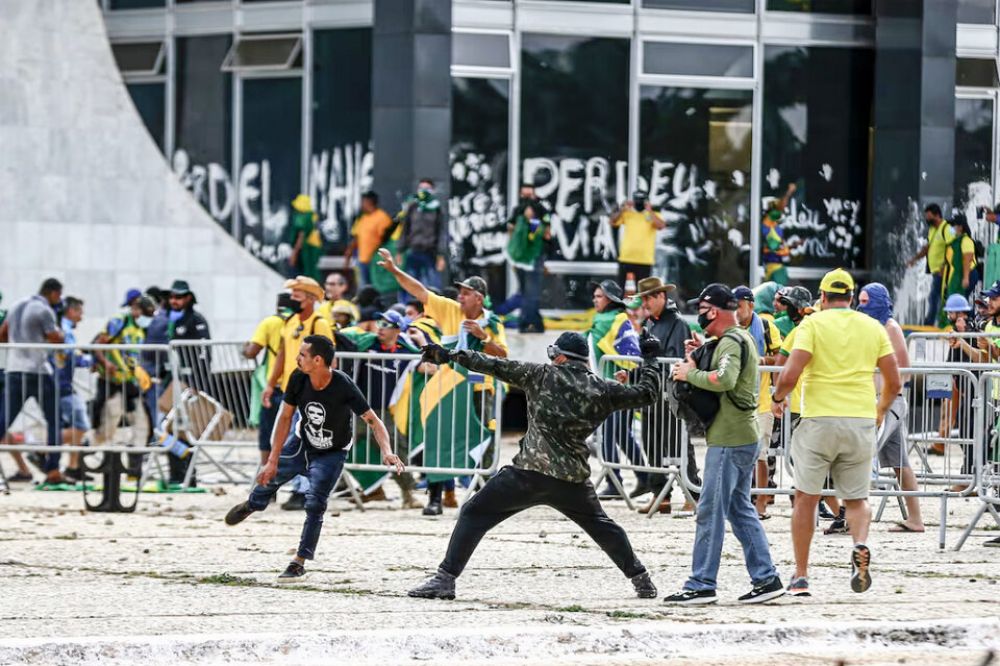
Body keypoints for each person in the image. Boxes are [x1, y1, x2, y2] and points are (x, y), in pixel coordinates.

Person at [408, 331, 663, 601]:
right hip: (572, 479)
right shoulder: (603, 388)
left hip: (529, 473)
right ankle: (641, 580)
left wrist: (449, 356)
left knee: (473, 513)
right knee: (603, 527)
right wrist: (650, 360)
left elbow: (493, 364)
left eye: (553, 355)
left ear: (561, 357)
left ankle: (445, 579)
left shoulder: (540, 374)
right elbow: (647, 393)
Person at [225, 335, 404, 581]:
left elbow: (373, 420)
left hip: (332, 452)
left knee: (315, 503)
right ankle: (252, 504)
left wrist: (387, 451)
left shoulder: (343, 385)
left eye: (301, 355)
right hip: (300, 444)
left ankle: (299, 561)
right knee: (267, 482)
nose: (297, 359)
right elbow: (285, 418)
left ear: (318, 360)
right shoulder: (298, 378)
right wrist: (272, 460)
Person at [772, 268, 901, 597]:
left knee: (806, 498)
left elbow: (790, 372)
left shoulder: (813, 324)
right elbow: (894, 379)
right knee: (857, 500)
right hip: (859, 419)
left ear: (824, 297)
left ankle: (801, 575)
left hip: (819, 420)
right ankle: (859, 543)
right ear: (851, 297)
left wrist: (777, 398)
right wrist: (880, 410)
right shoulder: (872, 327)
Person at [663, 284, 783, 605]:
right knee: (739, 509)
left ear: (713, 311)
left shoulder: (731, 340)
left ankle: (701, 583)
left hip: (730, 440)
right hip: (739, 436)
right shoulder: (733, 339)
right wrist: (701, 352)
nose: (698, 315)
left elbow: (725, 379)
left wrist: (689, 375)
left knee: (710, 510)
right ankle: (767, 578)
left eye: (701, 309)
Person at [377, 248, 508, 515]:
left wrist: (484, 337)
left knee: (483, 442)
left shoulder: (493, 323)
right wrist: (393, 270)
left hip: (479, 389)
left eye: (465, 293)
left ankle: (484, 499)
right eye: (459, 293)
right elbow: (420, 291)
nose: (459, 297)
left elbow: (504, 355)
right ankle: (435, 498)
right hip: (447, 389)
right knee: (439, 440)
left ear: (479, 298)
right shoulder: (450, 310)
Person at [857, 283, 924, 534]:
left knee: (864, 453)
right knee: (900, 463)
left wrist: (884, 396)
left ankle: (853, 513)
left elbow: (904, 368)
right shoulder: (871, 326)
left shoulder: (890, 327)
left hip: (889, 402)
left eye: (865, 301)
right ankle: (915, 518)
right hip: (879, 400)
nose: (861, 306)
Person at [263, 276, 335, 511]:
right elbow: (282, 355)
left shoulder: (319, 323)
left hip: (312, 391)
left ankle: (303, 490)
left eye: (297, 296)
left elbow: (329, 359)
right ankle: (290, 486)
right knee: (286, 440)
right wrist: (270, 383)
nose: (291, 299)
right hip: (290, 390)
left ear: (311, 299)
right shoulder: (290, 321)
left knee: (303, 442)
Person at [633, 276, 698, 513]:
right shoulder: (650, 324)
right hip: (652, 393)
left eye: (649, 297)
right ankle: (660, 494)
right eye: (643, 298)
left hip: (671, 394)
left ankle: (694, 494)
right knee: (652, 445)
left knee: (679, 444)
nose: (646, 303)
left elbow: (676, 359)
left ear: (662, 296)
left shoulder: (678, 324)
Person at [0, 278, 68, 485]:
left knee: (3, 420)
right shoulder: (44, 310)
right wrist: (61, 334)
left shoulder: (16, 305)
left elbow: (2, 335)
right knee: (54, 420)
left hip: (14, 369)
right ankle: (53, 469)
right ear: (54, 293)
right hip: (37, 371)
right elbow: (55, 338)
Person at [351, 310, 421, 509]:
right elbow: (346, 338)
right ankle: (308, 489)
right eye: (379, 322)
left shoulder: (405, 351)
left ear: (398, 330)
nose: (380, 327)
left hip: (381, 412)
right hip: (356, 409)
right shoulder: (368, 343)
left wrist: (421, 340)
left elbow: (427, 364)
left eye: (387, 324)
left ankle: (408, 494)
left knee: (397, 448)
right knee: (333, 446)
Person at [586, 279, 646, 499]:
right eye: (594, 296)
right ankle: (644, 476)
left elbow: (589, 344)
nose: (595, 300)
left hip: (616, 387)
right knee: (621, 434)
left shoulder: (609, 321)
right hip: (620, 386)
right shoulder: (619, 319)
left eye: (599, 296)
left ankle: (614, 482)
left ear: (610, 299)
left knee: (609, 434)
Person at [733, 286, 782, 519]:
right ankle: (741, 498)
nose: (736, 311)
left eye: (739, 306)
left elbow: (781, 358)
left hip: (761, 399)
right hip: (735, 399)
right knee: (736, 452)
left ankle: (762, 500)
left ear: (750, 305)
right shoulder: (729, 327)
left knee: (760, 454)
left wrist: (762, 360)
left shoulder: (765, 326)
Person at [91, 295, 156, 448]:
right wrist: (106, 363)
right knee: (109, 422)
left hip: (129, 381)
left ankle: (136, 462)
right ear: (135, 309)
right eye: (145, 315)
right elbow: (98, 345)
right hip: (111, 380)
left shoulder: (142, 329)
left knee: (142, 423)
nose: (146, 319)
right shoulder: (119, 321)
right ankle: (88, 448)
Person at [244, 293, 294, 466]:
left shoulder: (270, 322)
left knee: (268, 432)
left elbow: (252, 352)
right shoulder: (298, 323)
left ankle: (267, 474)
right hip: (296, 386)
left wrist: (244, 349)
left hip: (275, 386)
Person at [52, 296, 91, 482]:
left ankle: (73, 467)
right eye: (80, 312)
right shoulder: (65, 329)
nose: (82, 317)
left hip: (61, 383)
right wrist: (90, 361)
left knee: (73, 425)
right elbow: (70, 355)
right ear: (71, 311)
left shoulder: (61, 327)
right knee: (81, 424)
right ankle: (43, 447)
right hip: (62, 385)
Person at [907, 204, 955, 327]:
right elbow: (927, 248)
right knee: (936, 297)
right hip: (936, 271)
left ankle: (931, 323)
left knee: (935, 297)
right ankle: (938, 322)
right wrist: (914, 259)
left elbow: (953, 248)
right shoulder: (933, 229)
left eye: (929, 217)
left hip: (944, 272)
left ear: (937, 215)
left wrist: (945, 267)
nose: (927, 220)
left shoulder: (948, 229)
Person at [506, 201, 550, 333]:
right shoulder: (519, 220)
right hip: (520, 261)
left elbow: (536, 241)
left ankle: (526, 322)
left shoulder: (536, 225)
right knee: (527, 293)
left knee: (531, 294)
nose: (528, 211)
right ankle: (534, 322)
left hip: (532, 261)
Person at [398, 178, 448, 290]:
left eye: (427, 188)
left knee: (432, 286)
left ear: (433, 191)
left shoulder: (437, 209)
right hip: (413, 251)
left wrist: (441, 255)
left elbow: (441, 232)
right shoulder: (413, 207)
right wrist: (400, 250)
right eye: (421, 188)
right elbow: (405, 229)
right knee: (411, 285)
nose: (424, 191)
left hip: (430, 252)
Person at [610, 190, 666, 286]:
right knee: (619, 290)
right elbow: (612, 222)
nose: (639, 202)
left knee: (642, 293)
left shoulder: (653, 214)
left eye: (641, 200)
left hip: (644, 260)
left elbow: (661, 226)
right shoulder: (627, 213)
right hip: (626, 257)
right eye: (637, 200)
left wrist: (649, 210)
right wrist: (622, 209)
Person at [345, 191, 394, 286]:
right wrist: (349, 252)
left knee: (376, 287)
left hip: (375, 260)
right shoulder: (363, 218)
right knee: (363, 286)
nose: (361, 204)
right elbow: (356, 237)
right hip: (362, 259)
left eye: (363, 202)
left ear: (369, 202)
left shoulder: (382, 218)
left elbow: (386, 240)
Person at [941, 215, 979, 313]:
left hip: (968, 274)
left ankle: (969, 323)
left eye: (953, 226)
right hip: (960, 275)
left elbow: (968, 259)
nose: (951, 229)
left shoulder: (966, 241)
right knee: (959, 301)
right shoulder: (955, 242)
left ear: (960, 227)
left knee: (961, 302)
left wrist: (966, 277)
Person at [761, 183, 797, 285]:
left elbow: (780, 248)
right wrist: (789, 193)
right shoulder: (765, 226)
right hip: (771, 268)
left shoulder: (777, 227)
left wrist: (792, 246)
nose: (780, 213)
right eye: (777, 210)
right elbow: (772, 248)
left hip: (778, 266)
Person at [287, 194, 323, 282]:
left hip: (306, 249)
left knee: (306, 275)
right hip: (314, 247)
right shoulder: (312, 216)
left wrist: (294, 253)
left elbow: (301, 236)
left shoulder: (304, 218)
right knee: (312, 273)